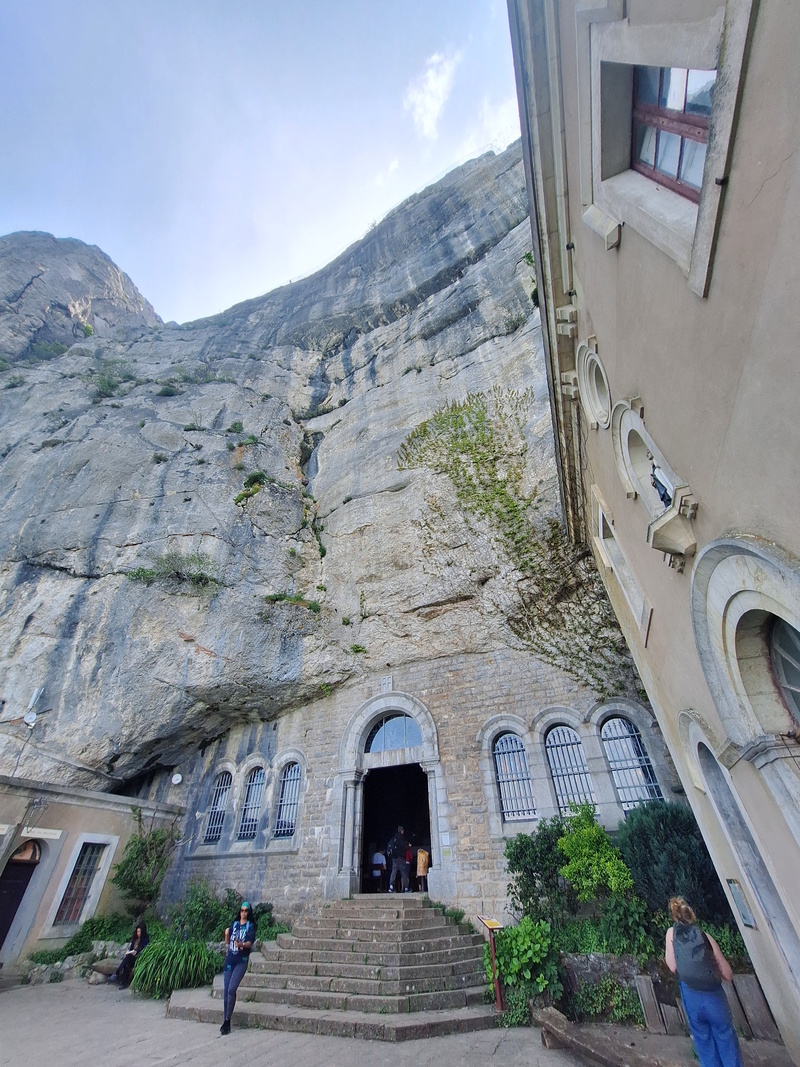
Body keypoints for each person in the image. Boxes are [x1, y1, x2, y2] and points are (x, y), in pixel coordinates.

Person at [665, 896, 743, 1067]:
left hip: (690, 995)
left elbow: (672, 966)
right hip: (714, 996)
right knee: (725, 1036)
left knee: (703, 1040)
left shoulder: (671, 934)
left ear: (674, 916)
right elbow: (728, 974)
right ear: (691, 915)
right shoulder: (705, 936)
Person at [220, 902, 255, 1035]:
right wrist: (226, 935)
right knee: (226, 991)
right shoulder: (234, 925)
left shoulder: (250, 926)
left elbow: (249, 943)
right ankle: (226, 1020)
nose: (243, 913)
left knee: (232, 989)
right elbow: (228, 942)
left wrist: (242, 944)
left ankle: (227, 1019)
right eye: (242, 910)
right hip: (230, 959)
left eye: (246, 911)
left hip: (241, 960)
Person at [108, 921, 149, 988]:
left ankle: (116, 974)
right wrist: (130, 952)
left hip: (139, 959)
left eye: (139, 932)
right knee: (127, 964)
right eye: (137, 931)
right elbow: (131, 949)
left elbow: (144, 950)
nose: (138, 933)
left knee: (128, 958)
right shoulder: (135, 939)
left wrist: (136, 953)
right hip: (132, 958)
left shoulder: (145, 939)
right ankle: (123, 983)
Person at [386, 825, 409, 893]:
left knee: (393, 872)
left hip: (394, 858)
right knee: (403, 872)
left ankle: (391, 887)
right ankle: (406, 888)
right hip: (400, 857)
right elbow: (404, 847)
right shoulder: (401, 838)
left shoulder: (394, 838)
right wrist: (408, 846)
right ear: (402, 831)